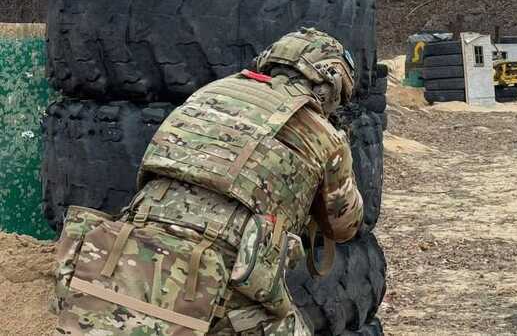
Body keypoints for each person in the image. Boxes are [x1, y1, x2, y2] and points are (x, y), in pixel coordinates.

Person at [52, 28, 364, 336]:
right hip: (222, 269)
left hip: (131, 246)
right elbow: (343, 225)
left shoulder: (211, 92)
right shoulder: (323, 134)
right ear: (330, 84)